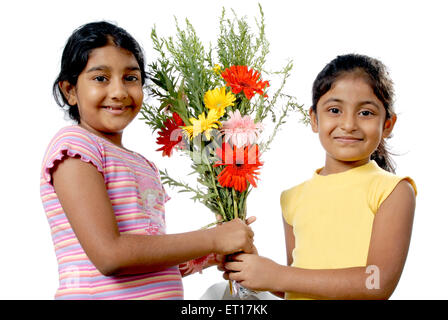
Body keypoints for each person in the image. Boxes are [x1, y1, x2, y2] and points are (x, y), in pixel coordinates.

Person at [40, 21, 256, 300]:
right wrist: (213, 238)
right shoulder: (74, 146)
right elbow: (111, 255)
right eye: (100, 78)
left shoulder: (142, 164)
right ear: (70, 90)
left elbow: (146, 256)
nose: (118, 91)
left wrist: (211, 253)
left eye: (131, 78)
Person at [224, 54, 417, 300]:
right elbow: (295, 286)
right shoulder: (292, 198)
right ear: (314, 119)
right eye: (334, 110)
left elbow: (377, 282)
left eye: (366, 113)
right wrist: (254, 265)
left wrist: (277, 275)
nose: (348, 124)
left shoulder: (393, 191)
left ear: (388, 124)